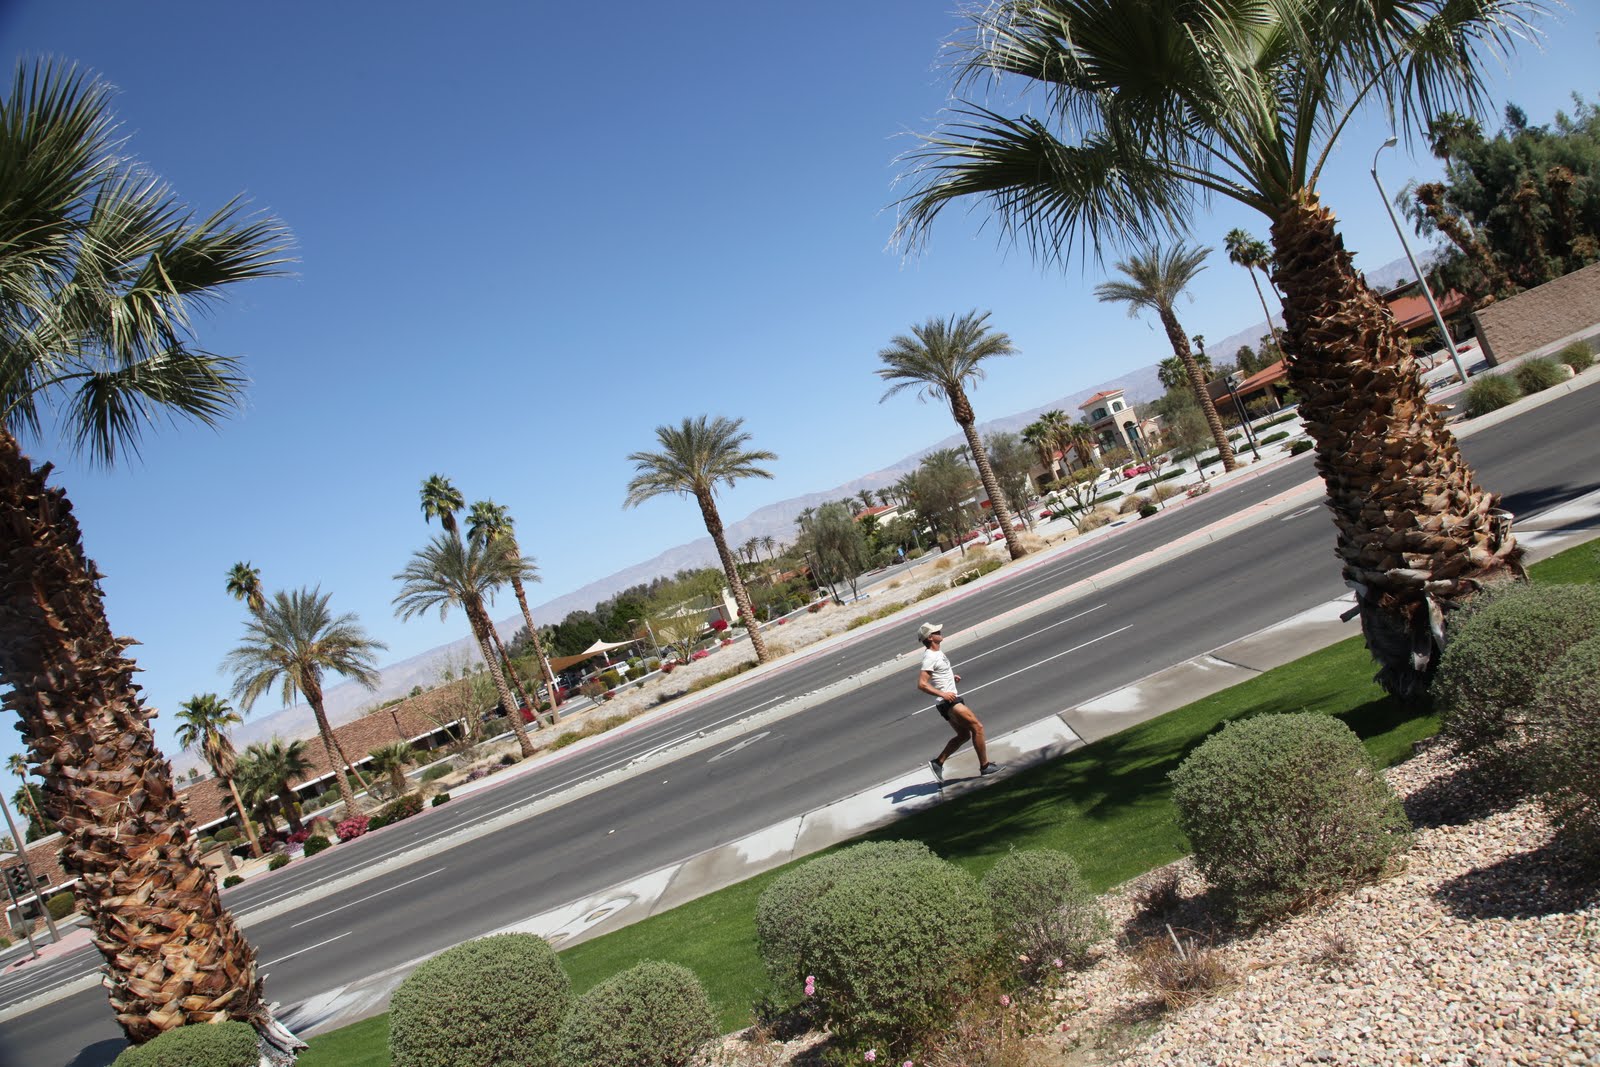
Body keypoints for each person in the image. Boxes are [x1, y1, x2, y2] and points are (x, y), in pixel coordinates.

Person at [916, 621, 999, 784]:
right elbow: (922, 684)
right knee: (978, 728)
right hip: (949, 702)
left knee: (964, 735)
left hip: (945, 702)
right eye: (936, 632)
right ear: (930, 638)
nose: (940, 632)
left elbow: (938, 675)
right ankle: (985, 767)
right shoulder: (930, 656)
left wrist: (950, 678)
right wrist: (943, 693)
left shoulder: (937, 653)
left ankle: (938, 763)